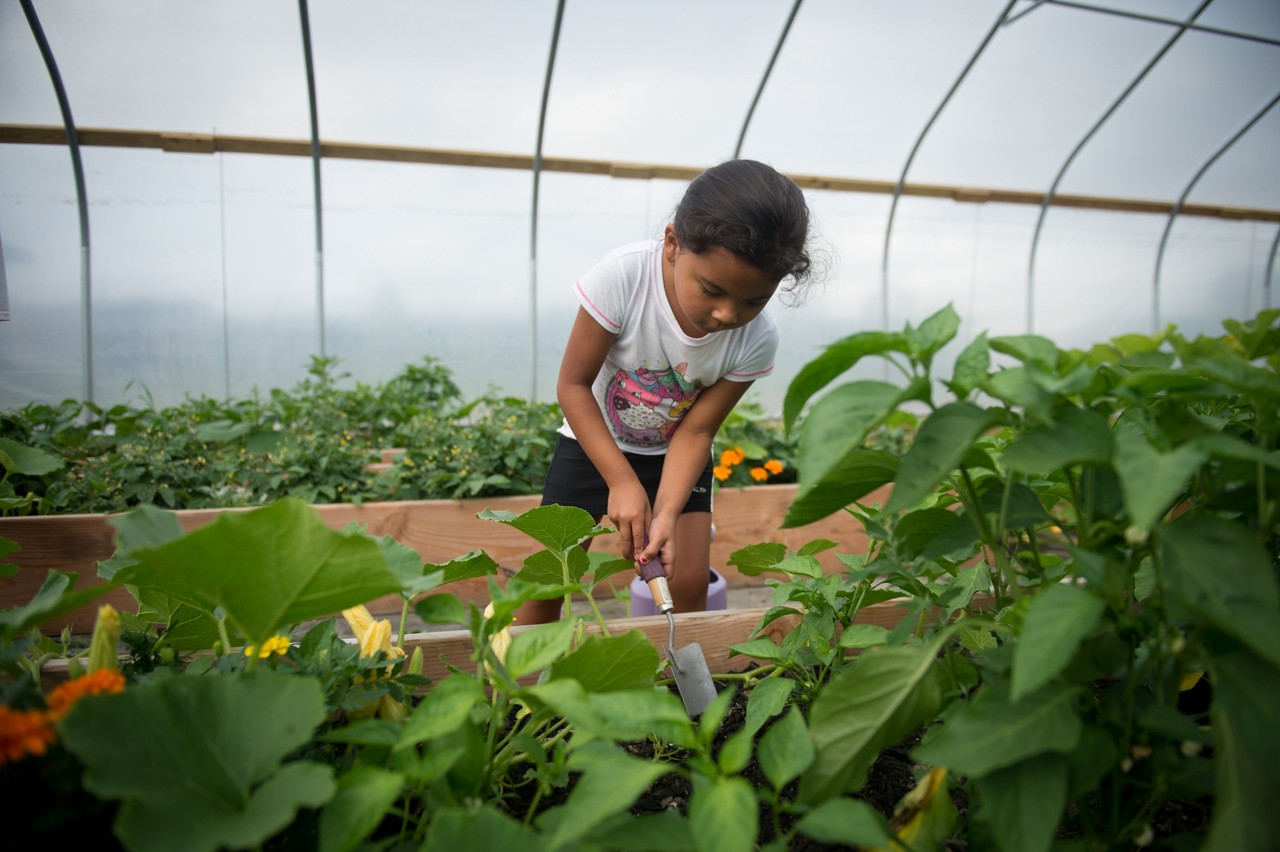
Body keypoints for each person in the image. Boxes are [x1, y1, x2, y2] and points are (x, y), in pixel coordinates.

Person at [517, 159, 816, 624]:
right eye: (712, 290)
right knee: (545, 581)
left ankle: (678, 684)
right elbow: (573, 386)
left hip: (676, 454)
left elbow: (697, 432)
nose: (726, 315)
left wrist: (666, 510)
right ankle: (515, 690)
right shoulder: (624, 277)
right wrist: (620, 481)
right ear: (674, 244)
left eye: (753, 300)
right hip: (592, 441)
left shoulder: (758, 339)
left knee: (688, 581)